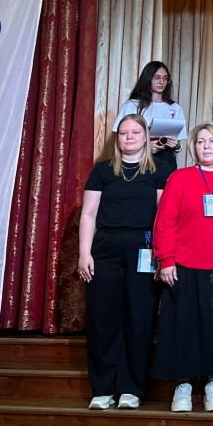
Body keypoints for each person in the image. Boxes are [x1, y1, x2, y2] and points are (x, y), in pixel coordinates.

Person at [153, 122, 213, 413]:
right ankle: (183, 384)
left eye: (212, 141)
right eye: (200, 141)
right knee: (184, 326)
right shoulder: (179, 179)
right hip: (185, 265)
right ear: (194, 147)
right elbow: (165, 222)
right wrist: (166, 259)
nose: (206, 146)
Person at [78, 113, 167, 410]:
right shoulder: (103, 170)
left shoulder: (159, 170)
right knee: (103, 318)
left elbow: (163, 217)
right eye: (124, 133)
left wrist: (162, 255)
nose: (129, 137)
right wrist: (85, 253)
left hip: (144, 247)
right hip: (106, 247)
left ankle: (131, 388)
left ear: (146, 137)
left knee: (139, 317)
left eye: (135, 132)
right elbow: (88, 214)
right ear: (117, 138)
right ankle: (103, 388)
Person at [114, 61, 185, 179]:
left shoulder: (175, 108)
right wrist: (145, 148)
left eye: (165, 78)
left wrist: (176, 146)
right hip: (138, 157)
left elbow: (178, 144)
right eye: (157, 78)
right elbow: (119, 138)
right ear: (148, 79)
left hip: (166, 158)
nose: (162, 82)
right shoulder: (131, 106)